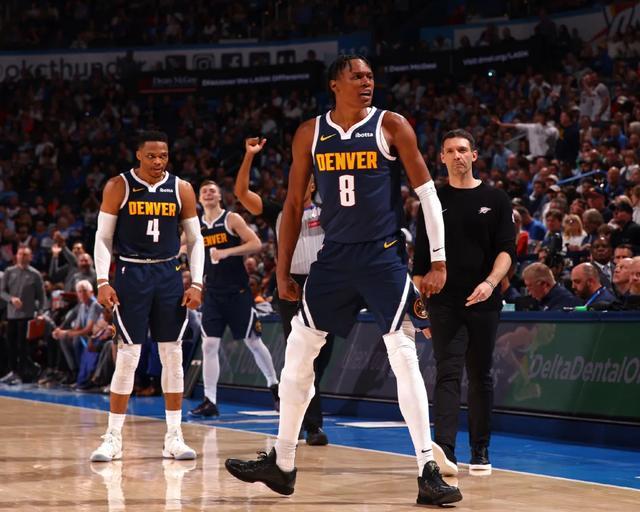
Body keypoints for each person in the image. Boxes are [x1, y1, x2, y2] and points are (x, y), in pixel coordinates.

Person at [225, 55, 461, 506]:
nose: (367, 82)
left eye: (370, 76)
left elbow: (428, 194)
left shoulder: (391, 125)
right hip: (333, 258)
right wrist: (282, 270)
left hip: (382, 255)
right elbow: (292, 205)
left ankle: (427, 470)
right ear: (335, 84)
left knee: (403, 354)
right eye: (357, 76)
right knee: (298, 354)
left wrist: (439, 261)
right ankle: (283, 462)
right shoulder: (310, 133)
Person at [89, 130, 205, 462]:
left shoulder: (181, 188)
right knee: (128, 356)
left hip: (168, 274)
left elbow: (195, 239)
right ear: (138, 155)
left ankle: (174, 436)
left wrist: (197, 283)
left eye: (163, 156)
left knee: (172, 354)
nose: (158, 161)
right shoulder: (119, 185)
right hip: (131, 273)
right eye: (151, 155)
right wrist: (102, 280)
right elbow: (103, 237)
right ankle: (113, 437)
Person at [413, 129, 515, 477]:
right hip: (443, 303)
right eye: (450, 151)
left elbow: (506, 250)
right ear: (441, 158)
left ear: (473, 155)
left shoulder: (496, 198)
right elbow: (420, 264)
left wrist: (490, 283)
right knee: (447, 373)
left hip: (485, 300)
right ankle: (445, 451)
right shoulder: (432, 202)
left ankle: (480, 450)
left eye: (463, 150)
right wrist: (422, 312)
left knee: (480, 374)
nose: (457, 155)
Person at [235, 138, 334, 446]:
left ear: (313, 185)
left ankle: (298, 405)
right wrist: (249, 156)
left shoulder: (329, 210)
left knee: (321, 359)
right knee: (304, 358)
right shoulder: (277, 211)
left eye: (306, 179)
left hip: (325, 285)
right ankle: (313, 426)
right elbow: (241, 194)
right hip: (290, 287)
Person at [188, 180, 279, 418]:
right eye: (204, 191)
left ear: (220, 196)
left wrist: (227, 252)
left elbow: (256, 243)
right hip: (212, 293)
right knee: (209, 345)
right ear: (199, 199)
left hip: (237, 292)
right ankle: (210, 401)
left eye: (212, 190)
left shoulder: (231, 219)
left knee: (253, 342)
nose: (208, 193)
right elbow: (182, 248)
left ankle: (275, 386)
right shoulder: (195, 226)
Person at [0, 246, 46, 384]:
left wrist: (40, 313)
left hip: (27, 315)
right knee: (11, 345)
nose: (22, 256)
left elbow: (41, 296)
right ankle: (13, 372)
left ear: (30, 257)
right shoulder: (9, 271)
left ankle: (23, 373)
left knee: (23, 346)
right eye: (20, 254)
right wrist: (11, 299)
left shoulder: (35, 274)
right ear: (17, 256)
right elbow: (1, 291)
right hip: (12, 315)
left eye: (25, 254)